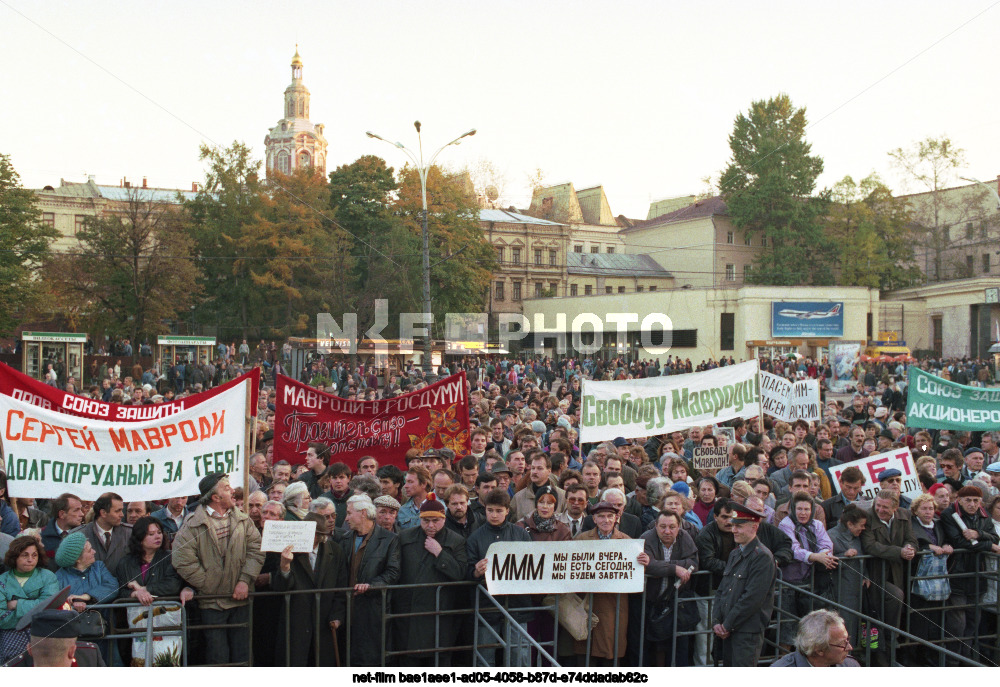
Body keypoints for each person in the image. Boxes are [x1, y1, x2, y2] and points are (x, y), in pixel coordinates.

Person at [171, 473, 264, 665]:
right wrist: (209, 584)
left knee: (243, 657)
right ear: (215, 497)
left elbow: (256, 550)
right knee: (218, 656)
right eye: (226, 487)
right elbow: (182, 560)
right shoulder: (192, 525)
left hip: (241, 600)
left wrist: (244, 581)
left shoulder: (243, 520)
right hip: (211, 604)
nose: (232, 490)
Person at [392, 494, 468, 666]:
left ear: (443, 519)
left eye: (435, 520)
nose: (431, 525)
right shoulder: (405, 538)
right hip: (410, 610)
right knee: (409, 659)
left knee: (438, 659)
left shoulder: (456, 541)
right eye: (426, 521)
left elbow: (461, 573)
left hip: (440, 612)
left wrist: (440, 554)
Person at [272, 512, 349, 666]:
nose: (306, 537)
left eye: (312, 534)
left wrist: (337, 615)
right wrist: (285, 566)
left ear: (320, 536)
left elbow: (341, 588)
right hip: (296, 621)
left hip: (325, 621)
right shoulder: (288, 550)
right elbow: (280, 588)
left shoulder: (335, 551)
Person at [467, 488, 533, 667]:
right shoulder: (475, 537)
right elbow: (467, 571)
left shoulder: (521, 535)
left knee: (519, 654)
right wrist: (475, 572)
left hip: (517, 604)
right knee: (485, 655)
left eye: (498, 510)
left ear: (507, 510)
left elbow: (532, 567)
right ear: (485, 509)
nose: (494, 515)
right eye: (490, 510)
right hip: (488, 604)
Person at [711, 502, 776, 667]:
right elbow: (722, 590)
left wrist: (726, 625)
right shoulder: (735, 553)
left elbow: (752, 599)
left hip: (746, 632)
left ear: (754, 527)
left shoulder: (762, 557)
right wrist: (717, 621)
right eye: (733, 526)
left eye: (739, 526)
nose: (734, 530)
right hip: (730, 629)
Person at [940, 485, 1000, 662]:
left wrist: (978, 533)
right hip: (957, 573)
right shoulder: (949, 514)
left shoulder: (983, 514)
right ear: (959, 499)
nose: (972, 504)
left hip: (977, 575)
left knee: (973, 621)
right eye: (968, 500)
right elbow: (959, 542)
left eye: (975, 500)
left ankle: (965, 660)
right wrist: (988, 545)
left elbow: (994, 536)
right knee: (957, 623)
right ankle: (952, 661)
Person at [340, 494, 400, 666]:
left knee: (371, 658)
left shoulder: (389, 540)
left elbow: (393, 572)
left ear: (363, 513)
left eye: (350, 513)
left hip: (373, 608)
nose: (346, 518)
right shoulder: (344, 539)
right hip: (348, 607)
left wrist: (372, 586)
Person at [572, 501, 632, 666]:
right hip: (588, 602)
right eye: (601, 516)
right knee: (587, 649)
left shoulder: (626, 541)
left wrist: (643, 561)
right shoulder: (582, 539)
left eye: (610, 516)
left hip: (614, 603)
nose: (606, 520)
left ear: (616, 518)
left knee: (610, 648)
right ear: (594, 519)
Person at [859, 489, 915, 663]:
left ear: (895, 507)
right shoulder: (867, 516)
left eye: (885, 507)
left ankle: (890, 652)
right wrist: (899, 552)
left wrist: (910, 549)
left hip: (897, 574)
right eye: (878, 505)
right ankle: (884, 656)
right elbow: (870, 546)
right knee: (883, 613)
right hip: (873, 575)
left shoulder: (904, 515)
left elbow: (912, 539)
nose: (880, 510)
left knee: (892, 614)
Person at [776, 491, 838, 649]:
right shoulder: (786, 524)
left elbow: (826, 544)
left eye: (806, 509)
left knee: (810, 626)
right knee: (787, 627)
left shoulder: (816, 524)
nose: (803, 513)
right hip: (788, 582)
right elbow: (794, 549)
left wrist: (824, 554)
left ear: (812, 511)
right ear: (793, 510)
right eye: (799, 509)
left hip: (810, 580)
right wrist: (815, 557)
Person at [638, 510, 699, 666]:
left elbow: (694, 563)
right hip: (650, 601)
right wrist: (676, 569)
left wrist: (662, 566)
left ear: (679, 527)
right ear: (656, 526)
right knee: (650, 647)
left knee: (679, 646)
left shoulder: (684, 537)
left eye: (672, 527)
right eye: (663, 526)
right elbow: (648, 565)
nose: (667, 531)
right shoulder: (646, 537)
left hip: (677, 602)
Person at [0, 537, 60, 662]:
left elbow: (48, 607)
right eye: (25, 555)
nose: (30, 560)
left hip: (42, 632)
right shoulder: (2, 580)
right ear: (15, 556)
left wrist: (17, 604)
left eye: (34, 555)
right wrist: (33, 610)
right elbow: (1, 618)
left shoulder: (48, 577)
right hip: (10, 634)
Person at [770, 609, 860, 667]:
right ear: (819, 649)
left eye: (847, 640)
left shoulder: (850, 665)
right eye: (842, 643)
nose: (850, 647)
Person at [53, 532, 117, 611]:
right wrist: (72, 602)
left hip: (101, 620)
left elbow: (113, 586)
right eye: (89, 550)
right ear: (78, 559)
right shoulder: (59, 577)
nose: (94, 551)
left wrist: (87, 596)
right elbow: (56, 602)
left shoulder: (98, 567)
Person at [72, 492, 131, 574]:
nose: (122, 515)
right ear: (103, 513)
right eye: (117, 511)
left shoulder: (129, 533)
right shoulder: (78, 535)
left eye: (122, 510)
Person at [40, 493, 85, 559]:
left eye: (81, 509)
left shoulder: (85, 535)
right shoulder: (41, 536)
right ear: (62, 514)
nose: (82, 514)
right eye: (76, 510)